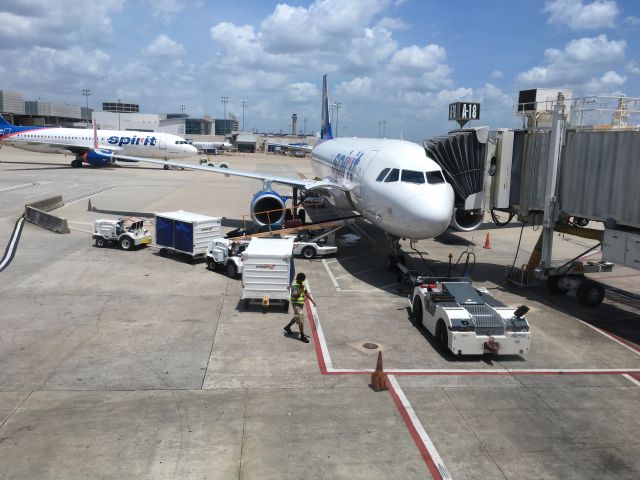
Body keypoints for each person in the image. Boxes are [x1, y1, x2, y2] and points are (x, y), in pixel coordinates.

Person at [284, 272, 316, 343]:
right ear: (298, 279)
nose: (302, 281)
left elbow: (306, 292)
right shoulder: (295, 285)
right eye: (301, 280)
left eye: (303, 280)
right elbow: (295, 295)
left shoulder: (302, 284)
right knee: (300, 318)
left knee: (296, 317)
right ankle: (302, 336)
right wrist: (300, 289)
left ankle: (287, 327)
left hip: (300, 304)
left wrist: (312, 300)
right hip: (296, 304)